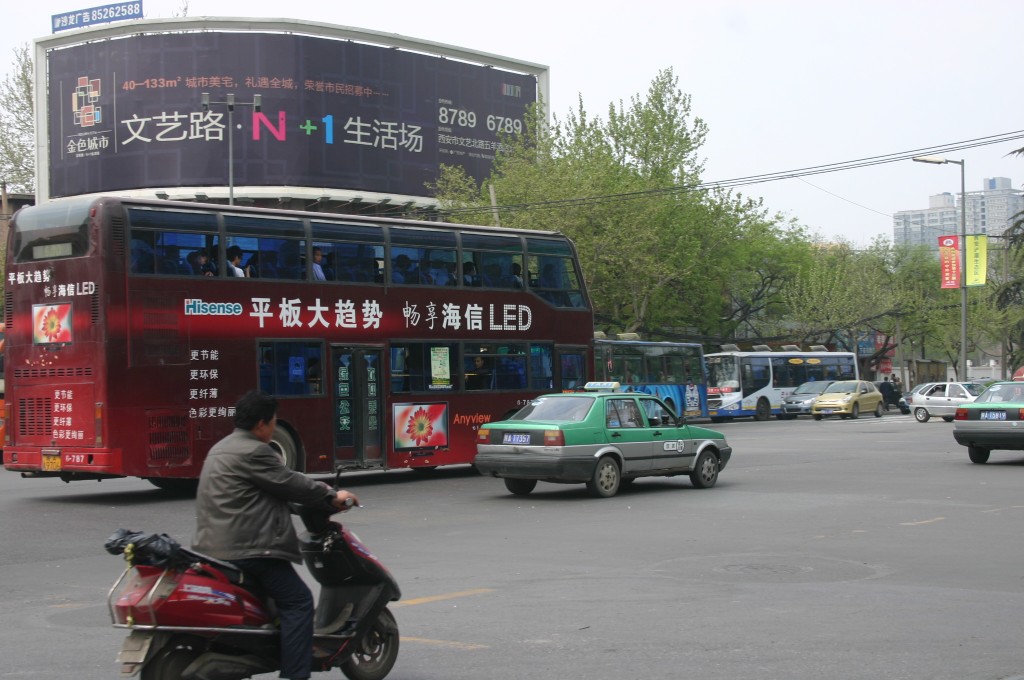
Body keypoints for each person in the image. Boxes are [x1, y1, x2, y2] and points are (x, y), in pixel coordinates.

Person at [193, 391, 358, 680]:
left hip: (211, 547)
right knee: (298, 601)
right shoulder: (256, 451)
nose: (273, 428)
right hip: (249, 550)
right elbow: (290, 481)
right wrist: (331, 496)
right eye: (272, 422)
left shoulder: (220, 448)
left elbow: (264, 490)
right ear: (260, 424)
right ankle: (295, 674)